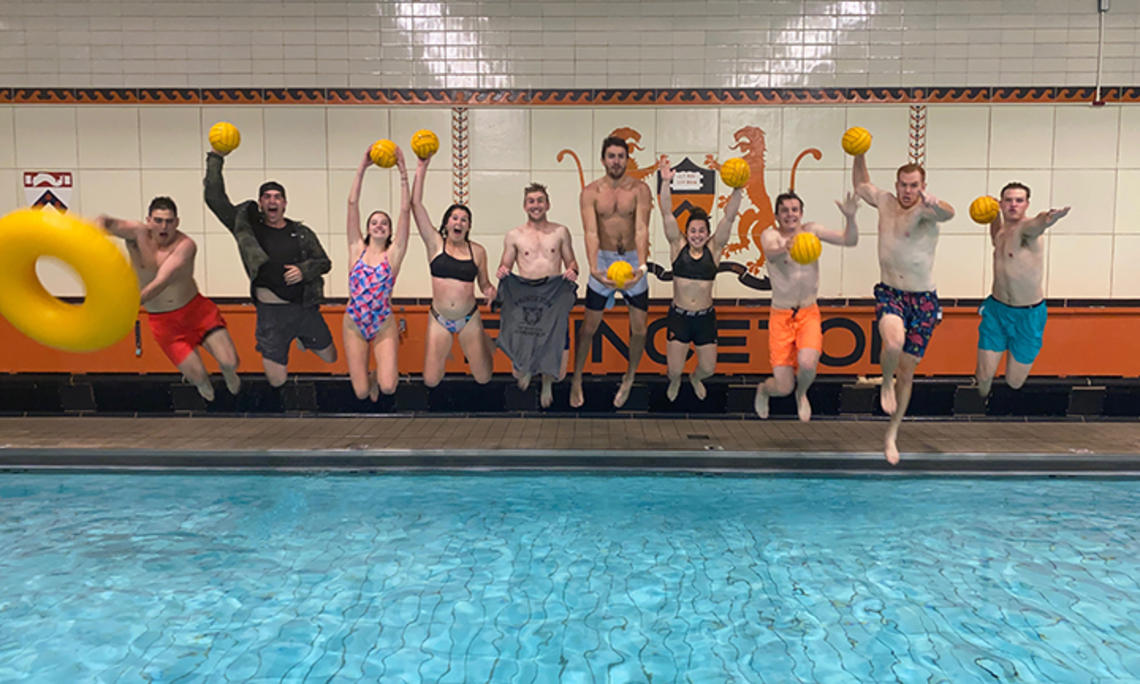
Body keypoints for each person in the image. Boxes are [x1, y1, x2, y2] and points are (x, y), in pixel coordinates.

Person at [204, 149, 336, 387]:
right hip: (271, 316)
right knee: (277, 381)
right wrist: (216, 158)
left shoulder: (302, 233)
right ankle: (289, 342)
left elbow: (324, 263)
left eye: (277, 197)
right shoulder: (247, 228)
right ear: (261, 203)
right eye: (267, 196)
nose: (272, 200)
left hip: (304, 310)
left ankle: (303, 339)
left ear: (284, 203)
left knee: (331, 356)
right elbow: (215, 199)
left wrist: (304, 270)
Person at [853, 154, 954, 465]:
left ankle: (891, 434)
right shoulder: (885, 201)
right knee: (893, 343)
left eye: (914, 186)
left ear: (923, 187)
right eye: (903, 185)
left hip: (923, 300)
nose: (907, 191)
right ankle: (885, 380)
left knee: (907, 371)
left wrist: (936, 203)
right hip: (890, 292)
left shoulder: (927, 210)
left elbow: (949, 214)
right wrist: (859, 153)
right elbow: (860, 185)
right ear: (896, 184)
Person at [100, 197, 240, 401]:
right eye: (158, 220)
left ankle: (229, 373)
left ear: (177, 222)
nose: (163, 226)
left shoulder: (185, 245)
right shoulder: (136, 234)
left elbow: (161, 281)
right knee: (198, 377)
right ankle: (202, 383)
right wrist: (89, 232)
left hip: (196, 312)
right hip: (164, 323)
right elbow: (106, 222)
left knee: (230, 361)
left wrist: (129, 305)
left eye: (169, 221)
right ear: (148, 220)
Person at [754, 190, 860, 421]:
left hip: (808, 313)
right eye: (784, 211)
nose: (790, 215)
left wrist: (851, 217)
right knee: (782, 387)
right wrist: (786, 247)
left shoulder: (812, 232)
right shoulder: (770, 235)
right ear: (777, 215)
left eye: (794, 210)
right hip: (781, 315)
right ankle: (763, 390)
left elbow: (849, 240)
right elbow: (770, 254)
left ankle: (802, 394)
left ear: (801, 213)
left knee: (808, 363)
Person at [570, 136, 653, 408]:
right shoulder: (590, 192)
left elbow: (641, 228)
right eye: (611, 156)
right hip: (604, 259)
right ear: (603, 159)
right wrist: (593, 268)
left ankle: (629, 377)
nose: (616, 161)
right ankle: (577, 378)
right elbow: (591, 232)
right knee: (589, 328)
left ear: (627, 159)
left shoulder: (640, 190)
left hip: (631, 261)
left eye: (621, 156)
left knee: (639, 329)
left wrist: (641, 266)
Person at [656, 156, 742, 402]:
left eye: (701, 231)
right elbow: (666, 213)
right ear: (687, 232)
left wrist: (738, 188)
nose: (697, 235)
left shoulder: (714, 250)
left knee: (708, 369)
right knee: (673, 369)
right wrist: (665, 182)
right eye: (693, 230)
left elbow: (729, 218)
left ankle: (694, 378)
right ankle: (676, 380)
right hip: (679, 317)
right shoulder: (677, 246)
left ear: (707, 233)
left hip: (705, 319)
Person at [410, 150, 496, 387]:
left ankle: (484, 342)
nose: (459, 222)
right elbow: (415, 205)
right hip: (439, 318)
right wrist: (421, 167)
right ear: (446, 223)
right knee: (431, 380)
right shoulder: (435, 244)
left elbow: (485, 284)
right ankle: (476, 343)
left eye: (464, 220)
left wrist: (490, 291)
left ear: (468, 227)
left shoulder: (477, 251)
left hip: (469, 318)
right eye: (454, 218)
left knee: (483, 377)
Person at [976, 182, 1070, 397]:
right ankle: (980, 406)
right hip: (997, 310)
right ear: (1001, 203)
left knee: (1015, 382)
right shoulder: (1000, 232)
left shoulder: (1028, 230)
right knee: (983, 376)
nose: (1013, 205)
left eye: (1019, 201)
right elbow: (995, 235)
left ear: (1027, 204)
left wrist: (1048, 218)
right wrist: (991, 214)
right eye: (1008, 200)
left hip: (1029, 315)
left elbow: (1038, 224)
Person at [495, 183, 580, 407]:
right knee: (519, 363)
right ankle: (526, 369)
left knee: (558, 364)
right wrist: (502, 270)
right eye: (531, 201)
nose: (536, 205)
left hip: (552, 297)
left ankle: (547, 382)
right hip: (526, 298)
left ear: (547, 204)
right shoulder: (514, 235)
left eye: (540, 200)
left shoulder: (560, 232)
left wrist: (572, 270)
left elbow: (572, 262)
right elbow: (505, 264)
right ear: (525, 206)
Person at [344, 144, 415, 401]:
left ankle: (379, 376)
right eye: (374, 222)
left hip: (383, 322)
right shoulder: (356, 249)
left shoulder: (393, 255)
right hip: (354, 322)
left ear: (389, 230)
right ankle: (367, 378)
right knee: (362, 393)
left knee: (388, 388)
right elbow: (352, 204)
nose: (379, 226)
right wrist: (363, 166)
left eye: (384, 223)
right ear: (367, 228)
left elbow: (405, 212)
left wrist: (403, 172)